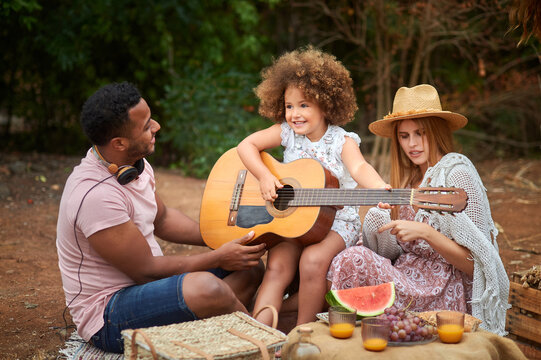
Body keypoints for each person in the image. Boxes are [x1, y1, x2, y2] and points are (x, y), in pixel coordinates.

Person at [56, 82, 266, 353]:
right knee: (209, 289)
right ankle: (263, 345)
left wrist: (227, 239)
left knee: (249, 265)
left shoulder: (133, 165)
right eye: (145, 126)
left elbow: (163, 219)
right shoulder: (96, 196)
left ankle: (209, 333)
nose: (156, 126)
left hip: (149, 287)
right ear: (118, 143)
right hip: (108, 313)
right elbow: (144, 270)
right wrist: (218, 257)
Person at [327, 84, 510, 335]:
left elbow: (480, 263)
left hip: (443, 292)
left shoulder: (457, 172)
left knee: (352, 260)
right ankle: (345, 337)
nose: (412, 144)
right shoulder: (406, 180)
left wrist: (426, 232)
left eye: (420, 133)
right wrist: (378, 229)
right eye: (404, 136)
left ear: (436, 131)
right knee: (347, 256)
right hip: (404, 280)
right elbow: (397, 251)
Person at [237, 46, 390, 328]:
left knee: (312, 261)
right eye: (289, 106)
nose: (294, 114)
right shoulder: (287, 133)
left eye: (304, 105)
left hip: (336, 222)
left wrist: (379, 186)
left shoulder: (342, 141)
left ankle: (301, 334)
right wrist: (264, 176)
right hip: (294, 220)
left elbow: (359, 168)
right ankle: (260, 335)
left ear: (326, 104)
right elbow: (246, 146)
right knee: (277, 267)